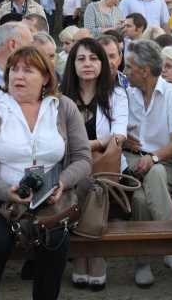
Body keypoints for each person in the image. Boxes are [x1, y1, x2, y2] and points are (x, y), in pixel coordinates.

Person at [0, 46, 91, 300]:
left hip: (49, 198)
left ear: (45, 78)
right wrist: (5, 191)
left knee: (55, 238)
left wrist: (62, 183)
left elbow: (83, 158)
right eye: (14, 70)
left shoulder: (63, 107)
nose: (18, 76)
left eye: (28, 70)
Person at [123, 39, 172, 287]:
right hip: (131, 160)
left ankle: (143, 262)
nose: (125, 71)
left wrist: (153, 157)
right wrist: (124, 140)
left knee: (143, 195)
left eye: (129, 66)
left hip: (165, 161)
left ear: (144, 71)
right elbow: (115, 132)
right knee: (145, 186)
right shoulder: (126, 94)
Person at [61, 37, 128, 291]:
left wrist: (83, 145)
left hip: (105, 166)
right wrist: (98, 142)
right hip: (69, 165)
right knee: (76, 184)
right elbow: (56, 137)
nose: (87, 64)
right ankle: (81, 256)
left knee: (95, 189)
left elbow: (119, 134)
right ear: (73, 64)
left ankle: (96, 255)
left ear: (102, 63)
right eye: (81, 59)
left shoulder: (116, 94)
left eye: (93, 58)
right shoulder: (60, 97)